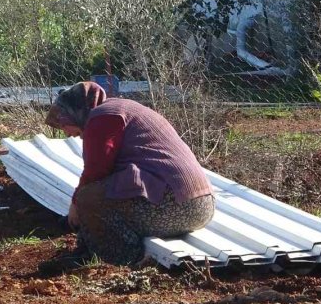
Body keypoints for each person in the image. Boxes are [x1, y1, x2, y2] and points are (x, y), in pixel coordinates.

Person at [39, 81, 215, 273]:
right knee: (96, 196)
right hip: (201, 205)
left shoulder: (102, 117)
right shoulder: (122, 109)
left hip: (177, 208)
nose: (67, 133)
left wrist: (75, 205)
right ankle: (88, 251)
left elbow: (96, 172)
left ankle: (119, 259)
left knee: (88, 197)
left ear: (77, 112)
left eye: (65, 124)